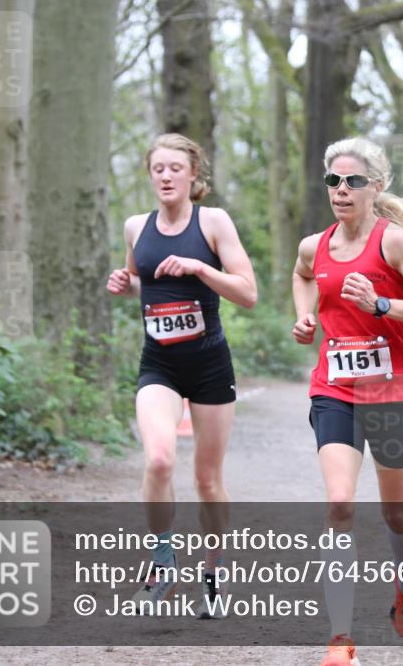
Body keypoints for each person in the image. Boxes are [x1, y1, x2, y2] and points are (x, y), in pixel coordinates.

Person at [292, 136, 403, 666]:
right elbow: (302, 275)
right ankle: (340, 640)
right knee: (339, 504)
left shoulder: (395, 244)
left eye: (353, 181)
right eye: (333, 181)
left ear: (375, 187)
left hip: (394, 392)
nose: (341, 190)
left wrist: (383, 304)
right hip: (334, 390)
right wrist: (306, 315)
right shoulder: (314, 246)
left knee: (395, 510)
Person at [106, 133, 257, 618]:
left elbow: (248, 293)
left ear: (194, 175)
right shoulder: (136, 226)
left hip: (211, 365)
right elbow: (139, 280)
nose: (166, 176)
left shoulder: (213, 222)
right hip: (160, 365)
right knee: (158, 461)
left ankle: (212, 572)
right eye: (158, 169)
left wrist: (199, 267)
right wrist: (124, 283)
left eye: (176, 168)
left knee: (208, 480)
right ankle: (163, 562)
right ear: (149, 175)